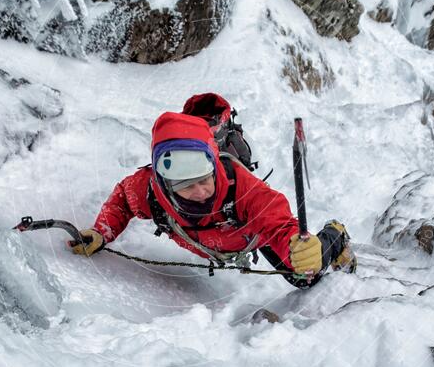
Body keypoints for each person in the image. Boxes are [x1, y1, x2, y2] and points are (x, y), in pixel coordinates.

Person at [69, 107, 353, 286]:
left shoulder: (239, 185)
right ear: (165, 182)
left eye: (205, 180)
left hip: (254, 236)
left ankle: (334, 235)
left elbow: (276, 221)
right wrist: (101, 232)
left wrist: (298, 247)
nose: (200, 191)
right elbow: (122, 198)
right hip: (222, 243)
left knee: (303, 275)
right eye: (187, 185)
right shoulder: (150, 189)